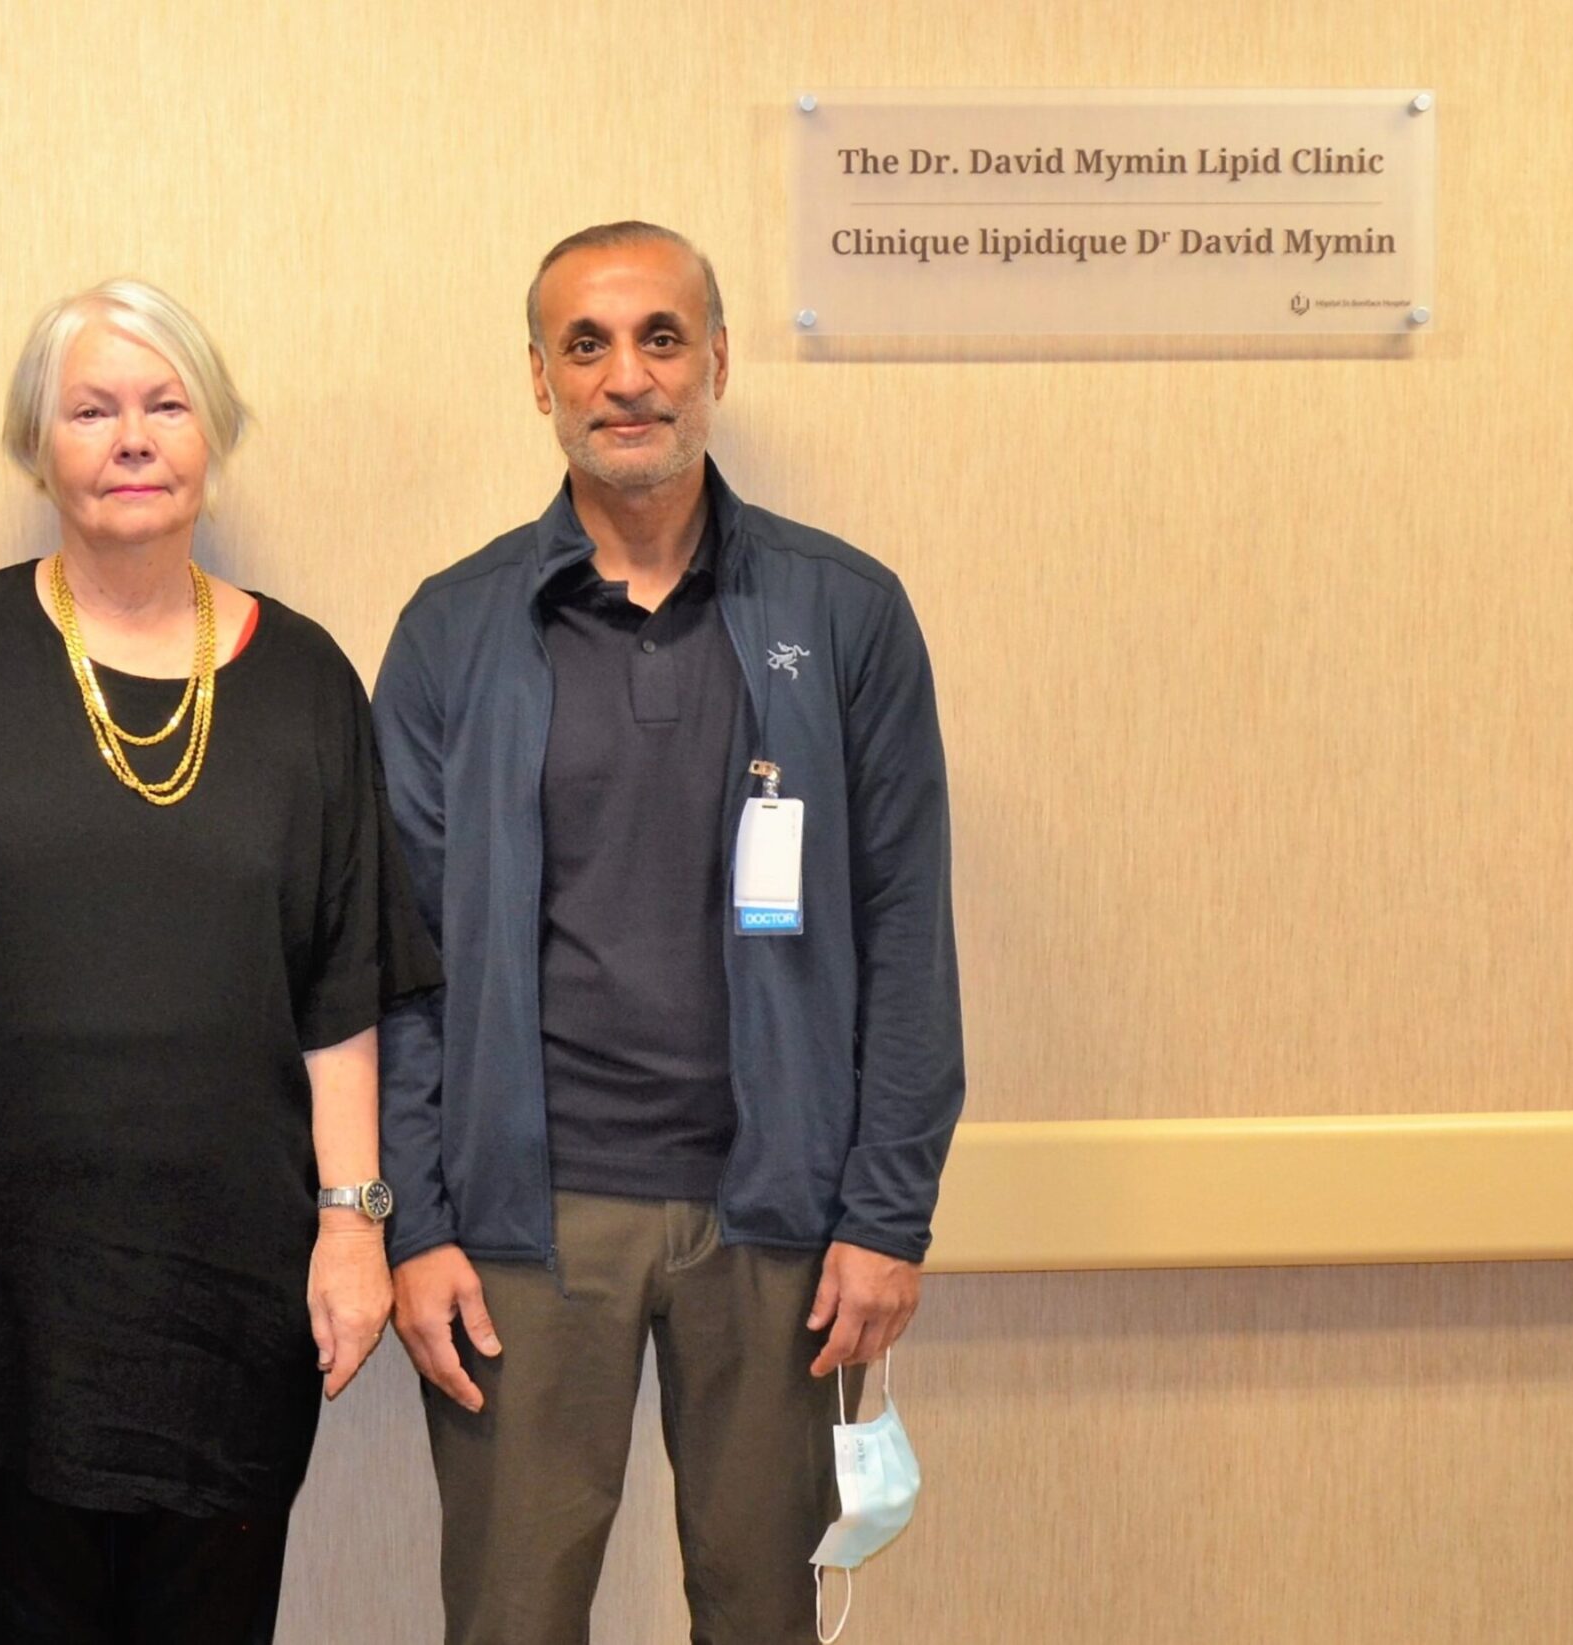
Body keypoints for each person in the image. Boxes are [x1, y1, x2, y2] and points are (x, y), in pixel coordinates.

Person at [370, 221, 965, 1645]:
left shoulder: (844, 611)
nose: (626, 377)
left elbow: (906, 928)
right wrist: (417, 1222)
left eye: (659, 338)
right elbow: (399, 961)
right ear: (540, 378)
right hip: (523, 1225)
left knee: (762, 1616)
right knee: (511, 1620)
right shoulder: (455, 630)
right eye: (585, 344)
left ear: (717, 361)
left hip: (779, 1218)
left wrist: (885, 1213)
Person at [0, 277, 439, 1645]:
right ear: (37, 446)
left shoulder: (308, 680)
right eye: (92, 410)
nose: (133, 439)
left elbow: (342, 989)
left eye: (166, 405)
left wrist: (353, 1225)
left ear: (214, 433)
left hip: (228, 1294)